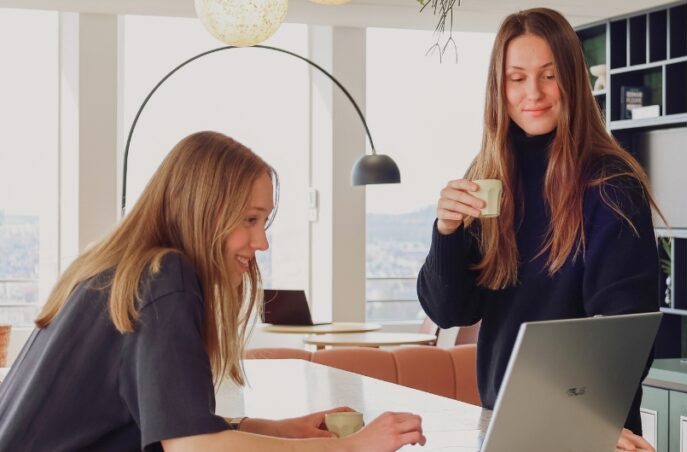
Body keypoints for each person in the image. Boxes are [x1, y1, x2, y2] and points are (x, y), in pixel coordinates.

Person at [0, 131, 426, 452]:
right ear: (203, 210)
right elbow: (193, 446)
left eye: (265, 222)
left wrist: (278, 431)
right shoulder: (167, 274)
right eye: (250, 219)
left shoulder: (122, 266)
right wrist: (351, 446)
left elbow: (169, 422)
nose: (262, 243)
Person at [417, 8, 660, 452]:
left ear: (572, 80)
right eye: (517, 78)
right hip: (503, 427)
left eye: (549, 75)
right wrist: (446, 232)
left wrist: (582, 426)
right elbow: (451, 311)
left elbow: (622, 330)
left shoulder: (610, 184)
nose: (534, 93)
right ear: (499, 88)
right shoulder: (488, 176)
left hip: (588, 431)